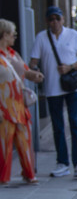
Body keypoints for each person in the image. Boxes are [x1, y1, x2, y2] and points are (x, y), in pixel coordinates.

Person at [28, 5, 77, 178]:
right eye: (51, 19)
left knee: (75, 122)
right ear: (47, 21)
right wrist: (33, 71)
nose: (54, 22)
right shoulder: (41, 37)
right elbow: (33, 61)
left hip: (73, 87)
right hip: (52, 89)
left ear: (63, 19)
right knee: (57, 126)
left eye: (57, 18)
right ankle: (62, 162)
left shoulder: (73, 35)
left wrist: (70, 66)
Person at [0, 19, 41, 185]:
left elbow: (25, 71)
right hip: (4, 107)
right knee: (4, 144)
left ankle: (29, 174)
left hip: (19, 106)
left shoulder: (12, 54)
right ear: (3, 35)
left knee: (25, 141)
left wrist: (34, 76)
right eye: (12, 34)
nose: (15, 37)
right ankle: (3, 178)